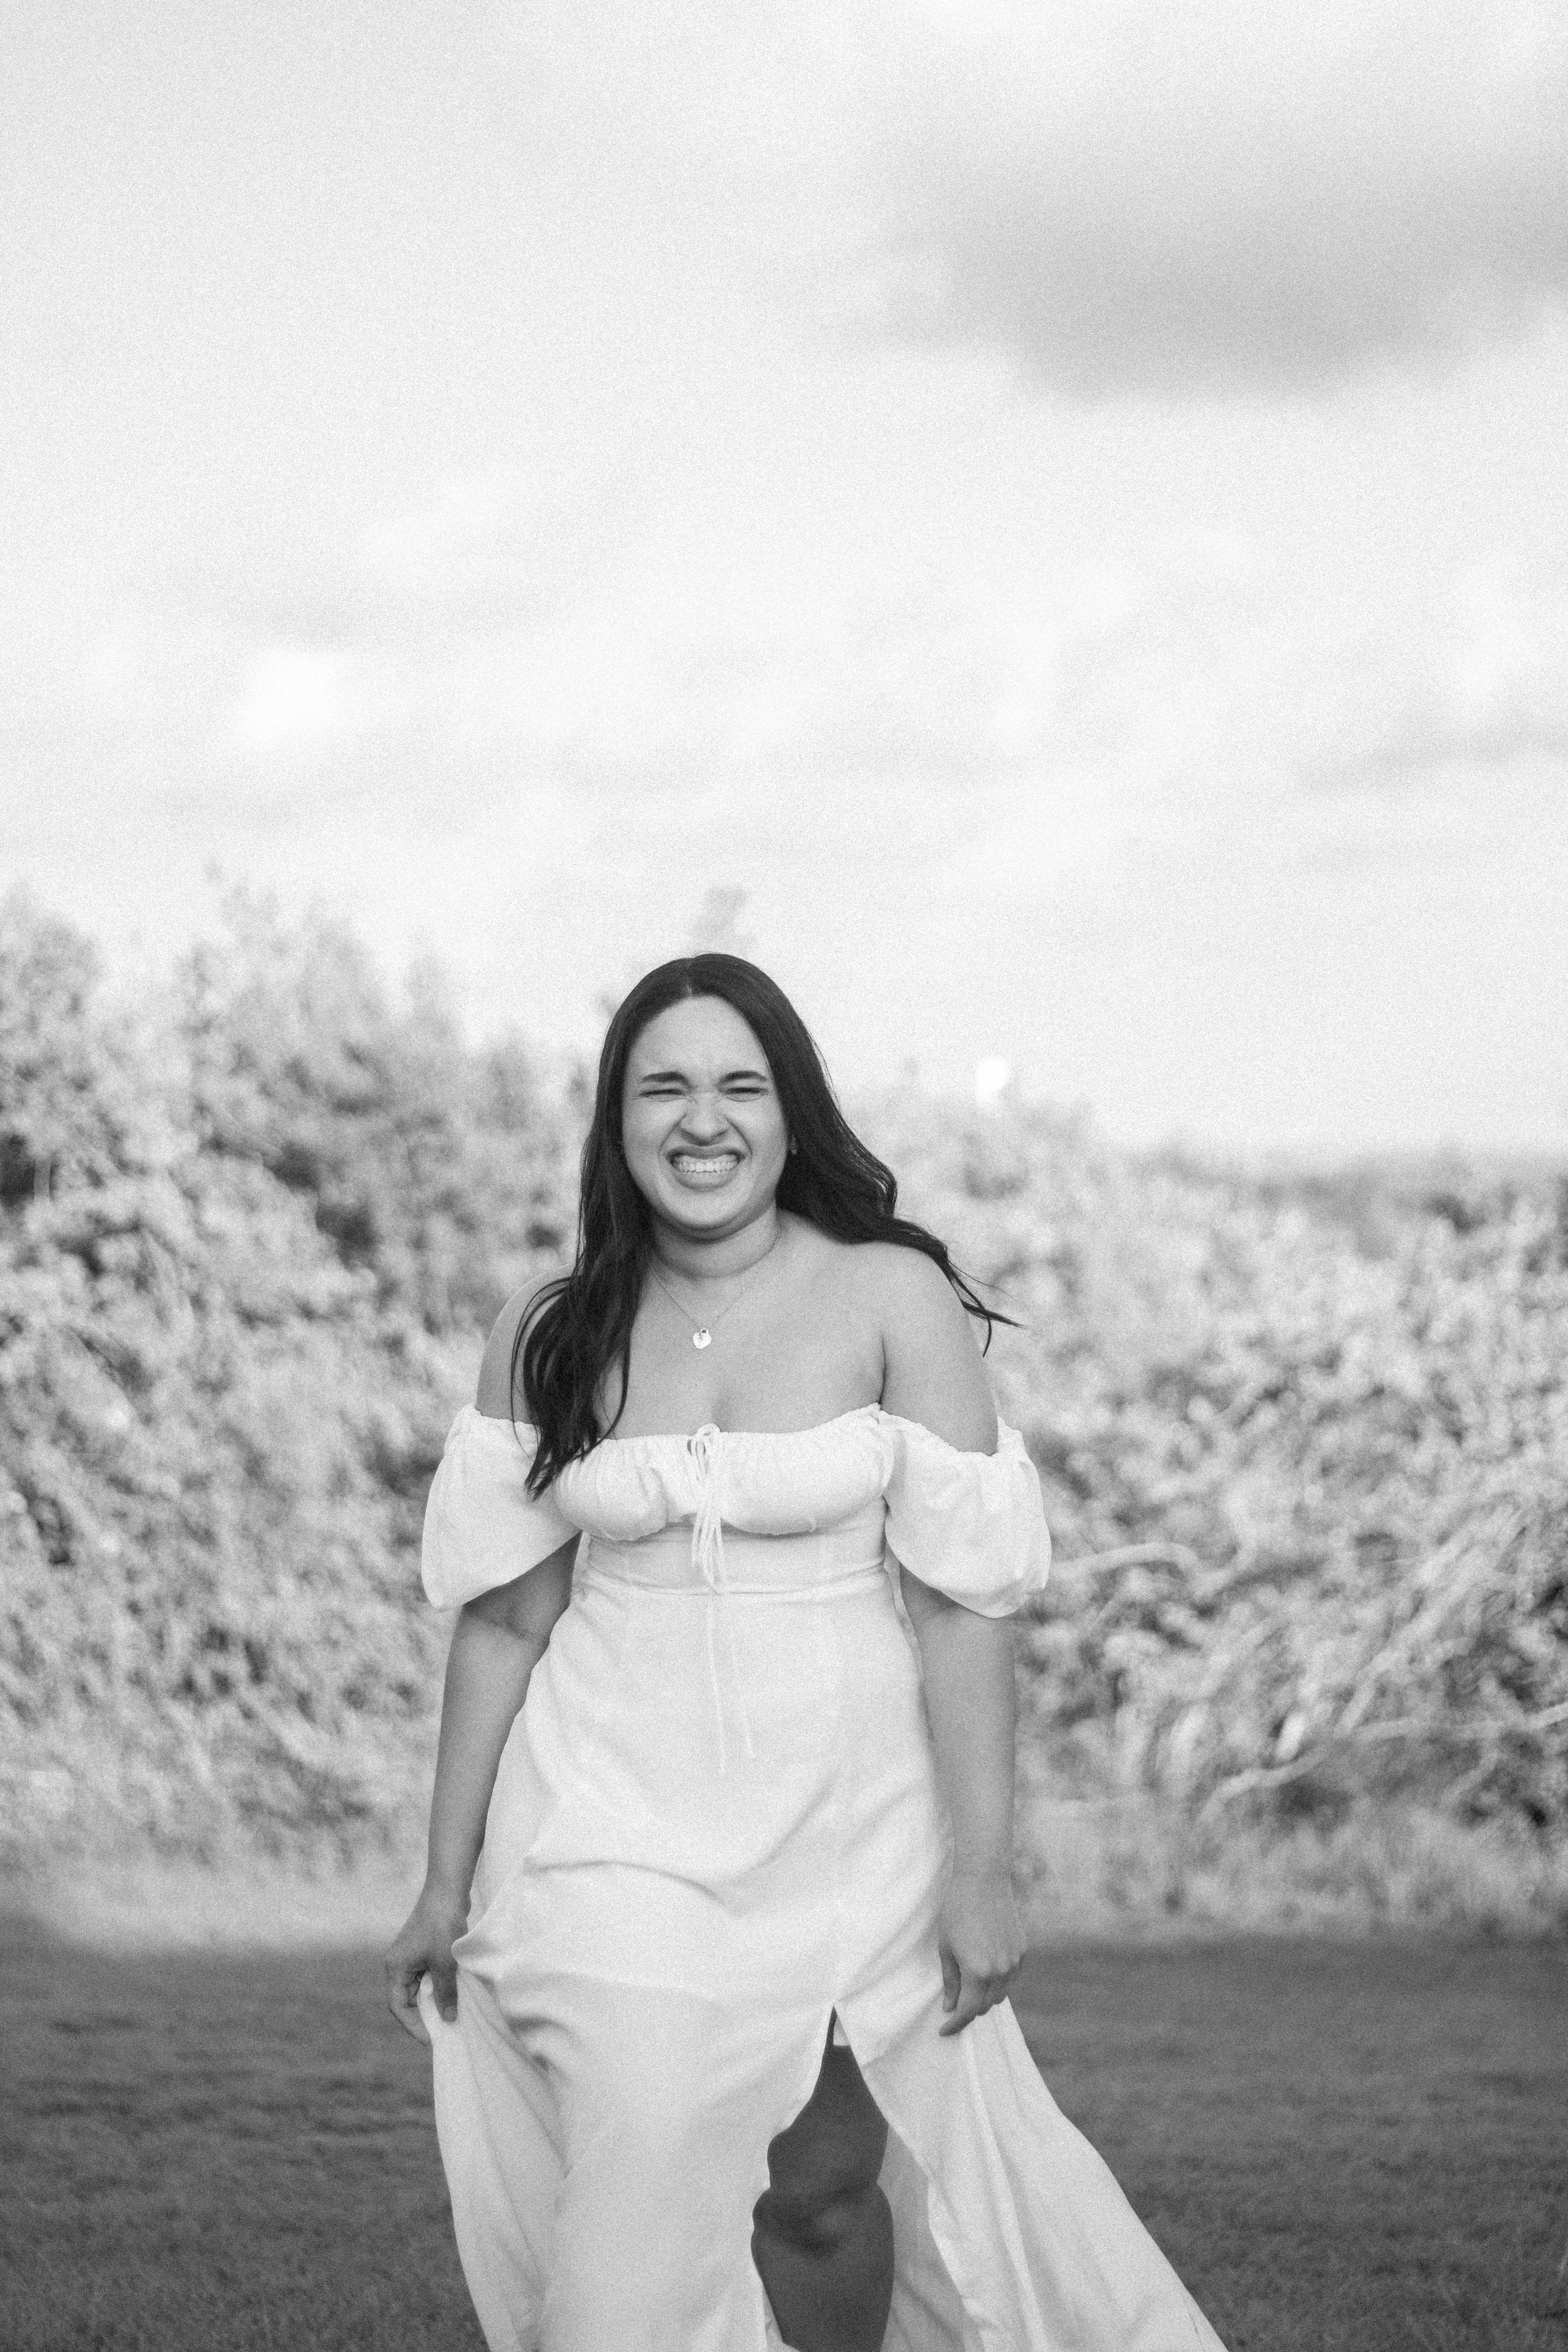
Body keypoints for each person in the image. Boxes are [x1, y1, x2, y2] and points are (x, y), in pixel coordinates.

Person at [385, 955, 1226, 2352]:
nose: (700, 1120)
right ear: (617, 1121)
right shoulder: (545, 1333)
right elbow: (506, 1620)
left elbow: (963, 1607)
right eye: (664, 1086)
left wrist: (982, 1865)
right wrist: (440, 1880)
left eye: (739, 1085)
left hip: (853, 1822)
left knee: (826, 2194)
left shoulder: (894, 1300)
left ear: (791, 1114)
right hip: (611, 1818)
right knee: (643, 2158)